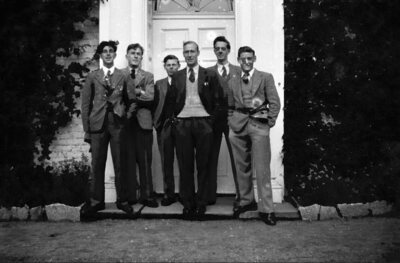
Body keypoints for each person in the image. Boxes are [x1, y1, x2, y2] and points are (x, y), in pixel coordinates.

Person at [164, 41, 224, 219]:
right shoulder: (177, 76)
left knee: (203, 165)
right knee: (185, 165)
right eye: (186, 52)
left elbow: (219, 100)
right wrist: (174, 120)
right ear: (183, 54)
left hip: (204, 123)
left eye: (192, 51)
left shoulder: (210, 74)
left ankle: (201, 203)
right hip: (182, 124)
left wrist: (211, 121)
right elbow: (170, 101)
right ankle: (187, 203)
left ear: (198, 53)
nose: (189, 55)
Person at [227, 46, 281, 226]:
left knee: (262, 168)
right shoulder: (232, 79)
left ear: (255, 58)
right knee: (241, 166)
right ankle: (246, 201)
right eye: (243, 59)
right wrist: (231, 121)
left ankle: (267, 209)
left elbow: (274, 102)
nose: (246, 62)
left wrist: (269, 123)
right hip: (238, 126)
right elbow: (229, 104)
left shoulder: (265, 77)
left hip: (259, 126)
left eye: (249, 58)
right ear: (238, 60)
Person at [80, 40, 133, 216]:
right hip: (97, 125)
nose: (108, 54)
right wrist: (87, 129)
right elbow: (86, 104)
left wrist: (125, 116)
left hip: (117, 124)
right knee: (97, 164)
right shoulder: (92, 76)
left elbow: (131, 101)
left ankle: (123, 200)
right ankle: (97, 201)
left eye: (111, 51)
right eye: (105, 51)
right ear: (101, 55)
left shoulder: (123, 76)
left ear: (115, 55)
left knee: (120, 164)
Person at [206, 36, 241, 206]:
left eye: (223, 48)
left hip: (232, 117)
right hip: (213, 119)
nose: (220, 51)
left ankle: (241, 195)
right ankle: (209, 195)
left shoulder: (238, 71)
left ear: (228, 50)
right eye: (217, 48)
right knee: (210, 156)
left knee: (237, 156)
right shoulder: (207, 72)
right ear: (214, 50)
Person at [123, 43, 158, 208]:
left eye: (139, 54)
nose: (136, 56)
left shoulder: (148, 76)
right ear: (127, 56)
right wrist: (138, 91)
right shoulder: (119, 74)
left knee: (145, 160)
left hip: (143, 122)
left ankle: (147, 195)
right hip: (125, 122)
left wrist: (133, 93)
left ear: (141, 57)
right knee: (128, 160)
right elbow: (116, 97)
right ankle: (131, 196)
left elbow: (150, 97)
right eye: (132, 53)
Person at [153, 55, 180, 206]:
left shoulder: (184, 82)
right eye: (168, 65)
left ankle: (185, 194)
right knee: (166, 162)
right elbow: (155, 104)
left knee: (184, 161)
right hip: (165, 127)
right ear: (164, 66)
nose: (171, 67)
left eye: (174, 64)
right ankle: (168, 194)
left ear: (178, 65)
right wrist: (157, 124)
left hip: (182, 127)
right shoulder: (159, 84)